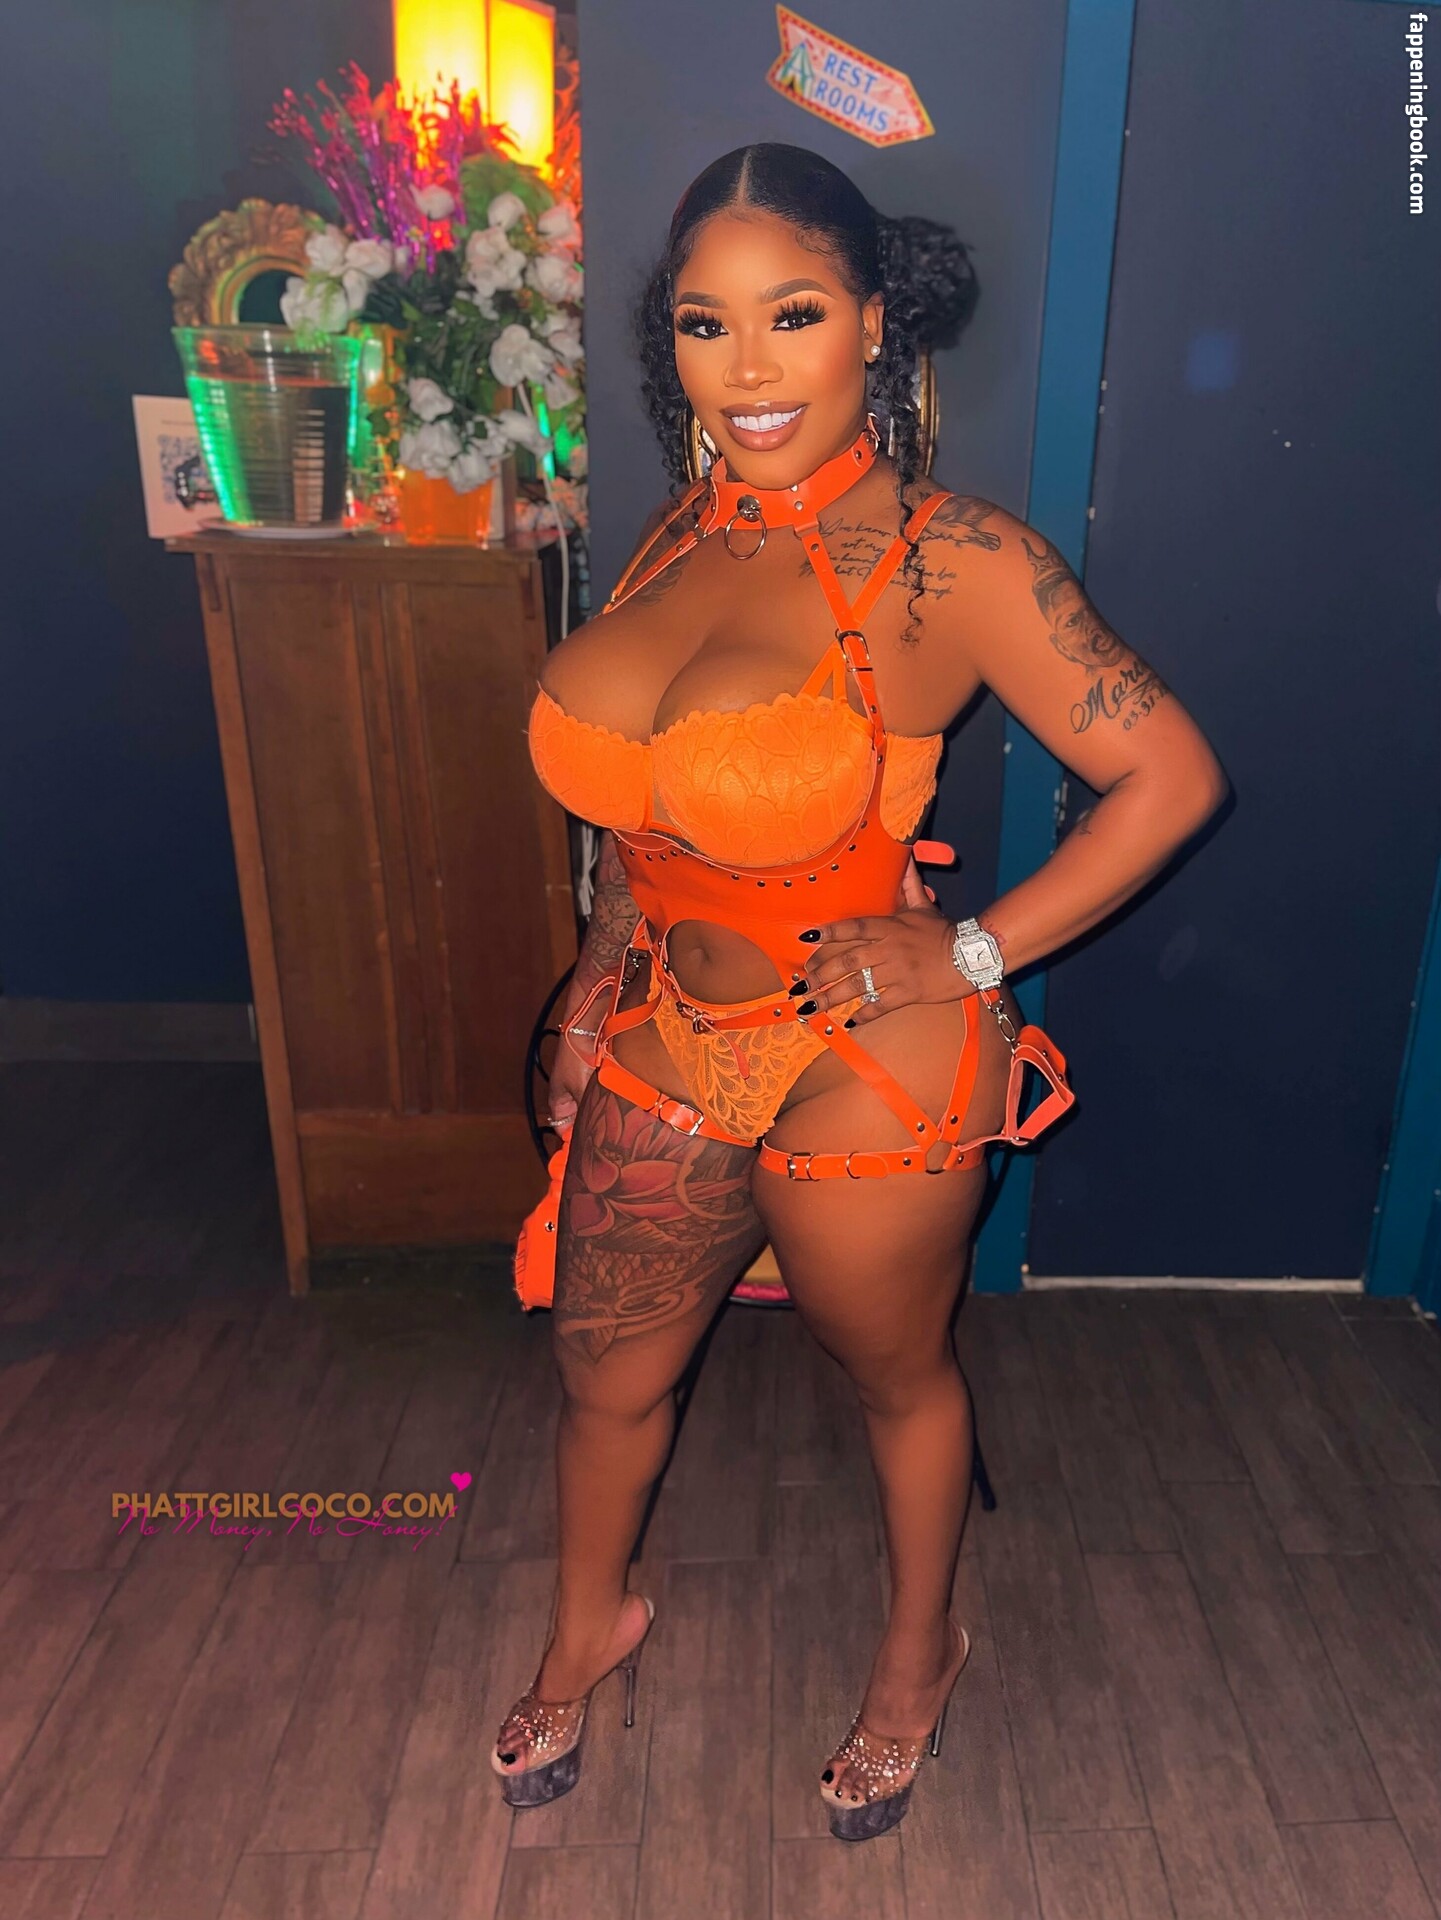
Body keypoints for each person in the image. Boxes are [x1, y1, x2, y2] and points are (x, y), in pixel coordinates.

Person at [496, 142, 1228, 1839]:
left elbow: (1172, 778)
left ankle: (917, 1655)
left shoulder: (950, 560)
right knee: (604, 1378)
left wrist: (969, 952)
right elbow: (639, 817)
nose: (746, 367)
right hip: (672, 1029)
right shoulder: (671, 533)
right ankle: (584, 1624)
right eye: (703, 323)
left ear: (875, 324)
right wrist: (598, 978)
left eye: (794, 314)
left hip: (869, 1053)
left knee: (893, 1376)